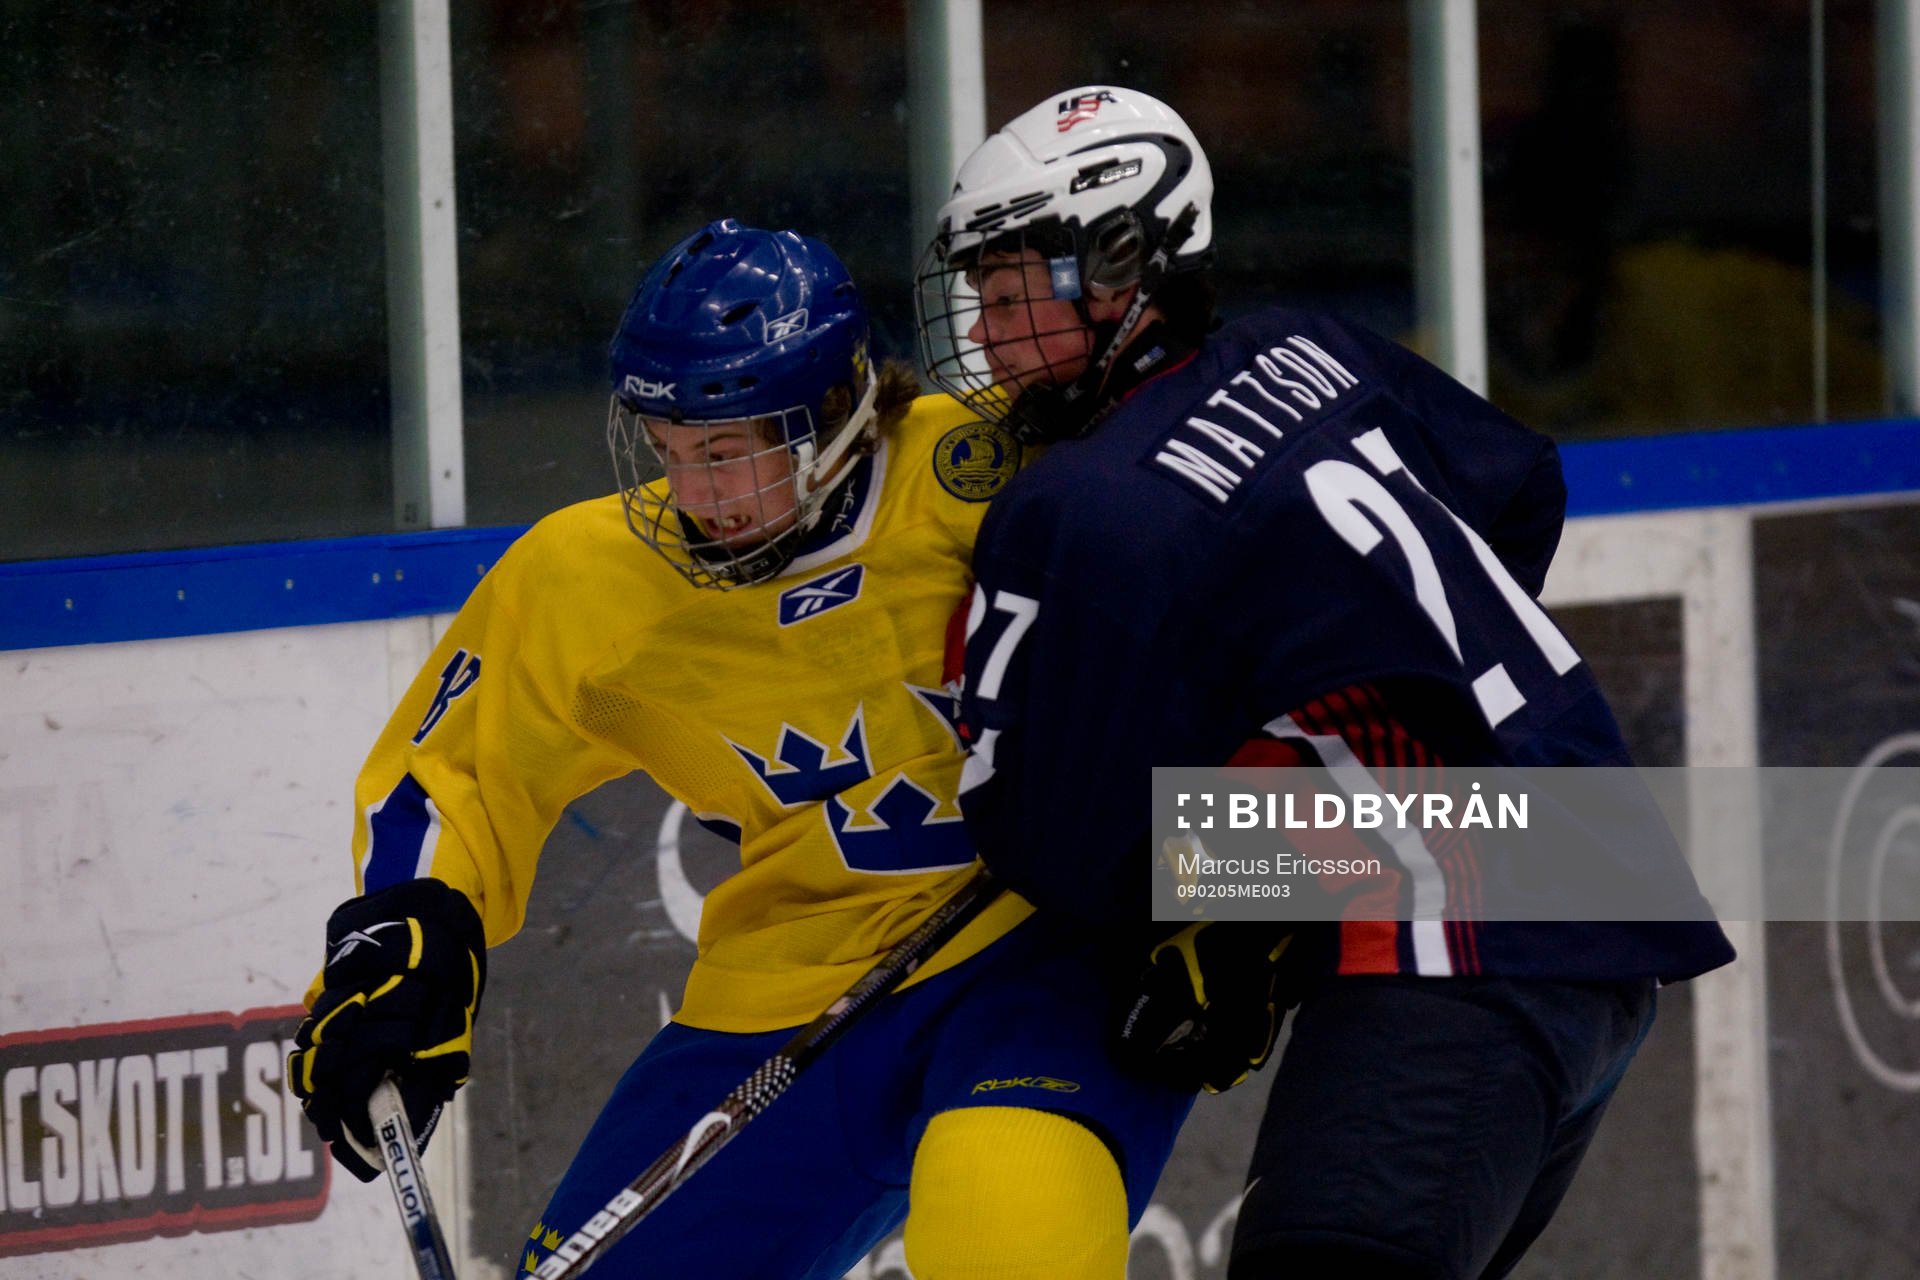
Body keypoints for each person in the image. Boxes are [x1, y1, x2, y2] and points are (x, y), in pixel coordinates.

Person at [914, 86, 1737, 1279]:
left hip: (1461, 949)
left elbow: (1057, 843)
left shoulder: (1084, 503)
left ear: (1119, 264)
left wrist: (1248, 868)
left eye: (1006, 295)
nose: (986, 337)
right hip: (1589, 895)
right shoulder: (1309, 347)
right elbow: (1515, 492)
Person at [285, 219, 1195, 1279]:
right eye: (669, 452)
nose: (697, 496)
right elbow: (449, 774)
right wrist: (411, 939)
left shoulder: (1000, 478)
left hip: (1053, 954)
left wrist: (1258, 895)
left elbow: (1270, 669)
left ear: (833, 416)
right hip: (791, 984)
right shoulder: (594, 576)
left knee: (1005, 1231)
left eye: (726, 451)